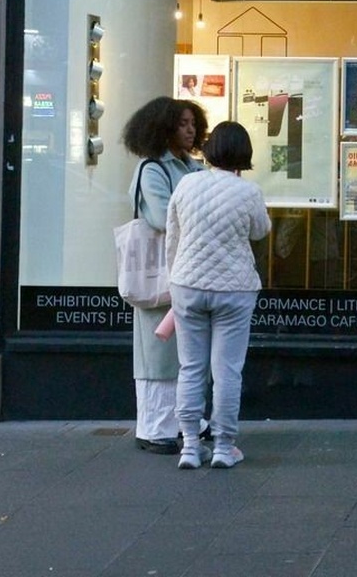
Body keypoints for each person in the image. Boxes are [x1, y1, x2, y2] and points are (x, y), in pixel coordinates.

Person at [167, 120, 271, 470]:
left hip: (187, 285)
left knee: (191, 368)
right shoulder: (249, 192)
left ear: (209, 150)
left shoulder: (186, 184)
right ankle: (225, 447)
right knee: (227, 371)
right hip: (234, 288)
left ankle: (190, 446)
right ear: (244, 154)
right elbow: (260, 231)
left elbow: (173, 236)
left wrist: (175, 279)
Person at [120, 96, 208, 454]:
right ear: (164, 128)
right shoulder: (153, 169)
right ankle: (154, 427)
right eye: (183, 124)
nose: (190, 130)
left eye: (193, 124)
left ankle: (181, 421)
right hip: (162, 271)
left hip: (187, 267)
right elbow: (159, 218)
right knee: (157, 351)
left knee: (185, 348)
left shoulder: (192, 167)